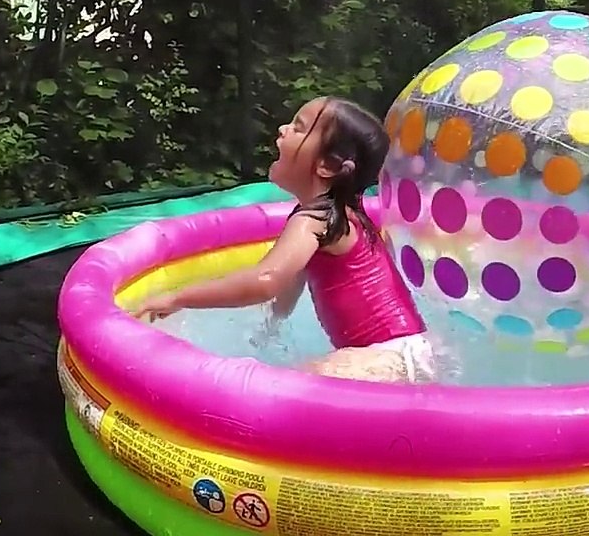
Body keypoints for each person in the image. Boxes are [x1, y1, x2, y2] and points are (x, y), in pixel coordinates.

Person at [131, 96, 436, 384]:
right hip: (405, 352)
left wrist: (177, 297)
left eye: (298, 127)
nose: (283, 129)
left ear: (327, 166)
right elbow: (290, 284)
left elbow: (266, 279)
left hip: (389, 359)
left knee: (274, 388)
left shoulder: (315, 220)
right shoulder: (333, 215)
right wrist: (270, 326)